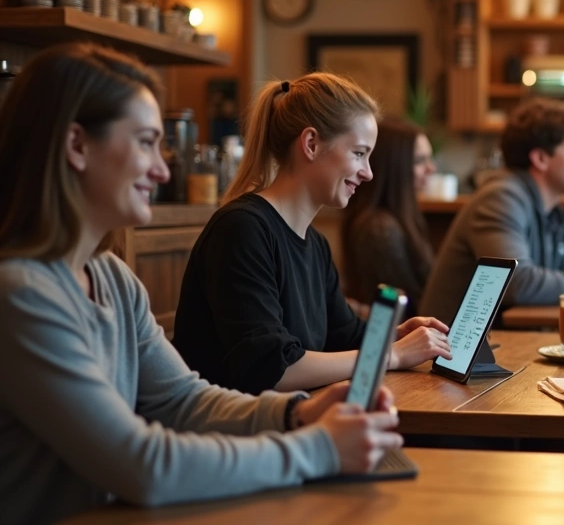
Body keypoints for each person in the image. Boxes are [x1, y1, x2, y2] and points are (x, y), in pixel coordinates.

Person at [0, 43, 405, 522]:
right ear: (77, 146)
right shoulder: (21, 294)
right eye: (146, 142)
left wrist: (295, 416)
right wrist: (317, 448)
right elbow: (144, 466)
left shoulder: (112, 277)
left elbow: (181, 401)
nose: (163, 169)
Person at [173, 73, 451, 394]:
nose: (368, 172)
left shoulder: (314, 243)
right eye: (359, 153)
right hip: (232, 435)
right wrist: (392, 355)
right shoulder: (241, 230)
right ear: (311, 144)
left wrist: (397, 337)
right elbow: (274, 369)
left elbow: (343, 335)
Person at [419, 99, 564, 325]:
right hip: (449, 353)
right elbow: (517, 283)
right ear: (540, 158)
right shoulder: (500, 198)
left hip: (500, 345)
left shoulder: (549, 208)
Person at [341, 119, 437, 317]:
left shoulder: (401, 219)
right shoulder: (378, 228)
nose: (431, 169)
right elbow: (407, 311)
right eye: (419, 161)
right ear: (394, 166)